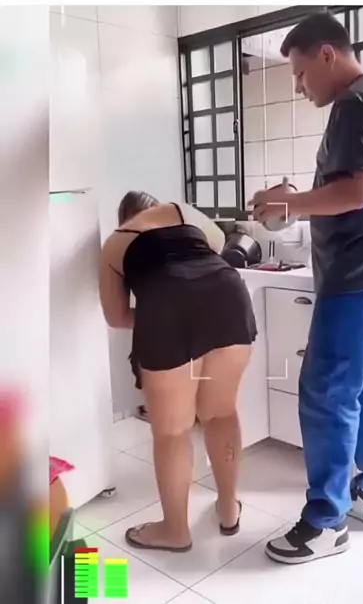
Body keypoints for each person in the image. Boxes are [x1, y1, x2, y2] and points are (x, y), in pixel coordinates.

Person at [252, 12, 363, 565]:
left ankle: (325, 521)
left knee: (326, 392)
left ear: (327, 54)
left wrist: (288, 204)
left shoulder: (353, 103)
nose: (299, 87)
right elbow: (362, 188)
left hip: (359, 274)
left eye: (301, 73)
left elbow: (355, 192)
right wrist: (299, 195)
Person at [99, 191, 257, 551]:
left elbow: (117, 316)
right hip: (228, 296)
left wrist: (163, 316)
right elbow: (211, 257)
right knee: (220, 414)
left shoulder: (116, 243)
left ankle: (175, 530)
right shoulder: (186, 215)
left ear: (124, 218)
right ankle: (228, 510)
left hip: (167, 304)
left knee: (172, 432)